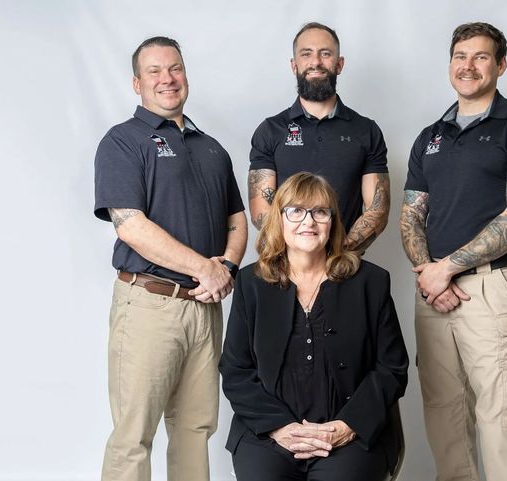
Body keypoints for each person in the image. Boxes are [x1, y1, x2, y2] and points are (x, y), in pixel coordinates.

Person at [400, 22, 507, 481]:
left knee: (506, 423)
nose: (468, 66)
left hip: (493, 288)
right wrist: (429, 273)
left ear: (500, 65)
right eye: (460, 56)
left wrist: (446, 268)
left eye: (481, 57)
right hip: (433, 294)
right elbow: (411, 215)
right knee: (444, 419)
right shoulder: (430, 136)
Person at [93, 36, 247, 481]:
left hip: (205, 308)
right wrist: (206, 269)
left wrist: (227, 268)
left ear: (186, 75)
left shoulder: (212, 148)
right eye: (155, 71)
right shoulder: (123, 141)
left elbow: (237, 218)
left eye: (175, 68)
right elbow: (130, 226)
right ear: (137, 83)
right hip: (149, 305)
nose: (167, 78)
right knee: (133, 436)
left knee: (195, 431)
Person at [220, 172, 408, 481]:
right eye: (296, 211)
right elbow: (235, 369)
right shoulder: (251, 283)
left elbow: (392, 367)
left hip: (350, 434)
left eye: (320, 211)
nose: (308, 222)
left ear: (332, 222)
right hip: (268, 434)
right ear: (279, 219)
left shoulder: (370, 282)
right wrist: (279, 428)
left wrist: (347, 426)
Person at [247, 22, 390, 253]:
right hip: (286, 262)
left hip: (345, 261)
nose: (315, 62)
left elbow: (377, 209)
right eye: (306, 54)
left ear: (339, 64)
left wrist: (341, 251)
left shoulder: (366, 131)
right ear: (294, 65)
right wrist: (299, 252)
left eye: (325, 53)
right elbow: (261, 208)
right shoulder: (270, 130)